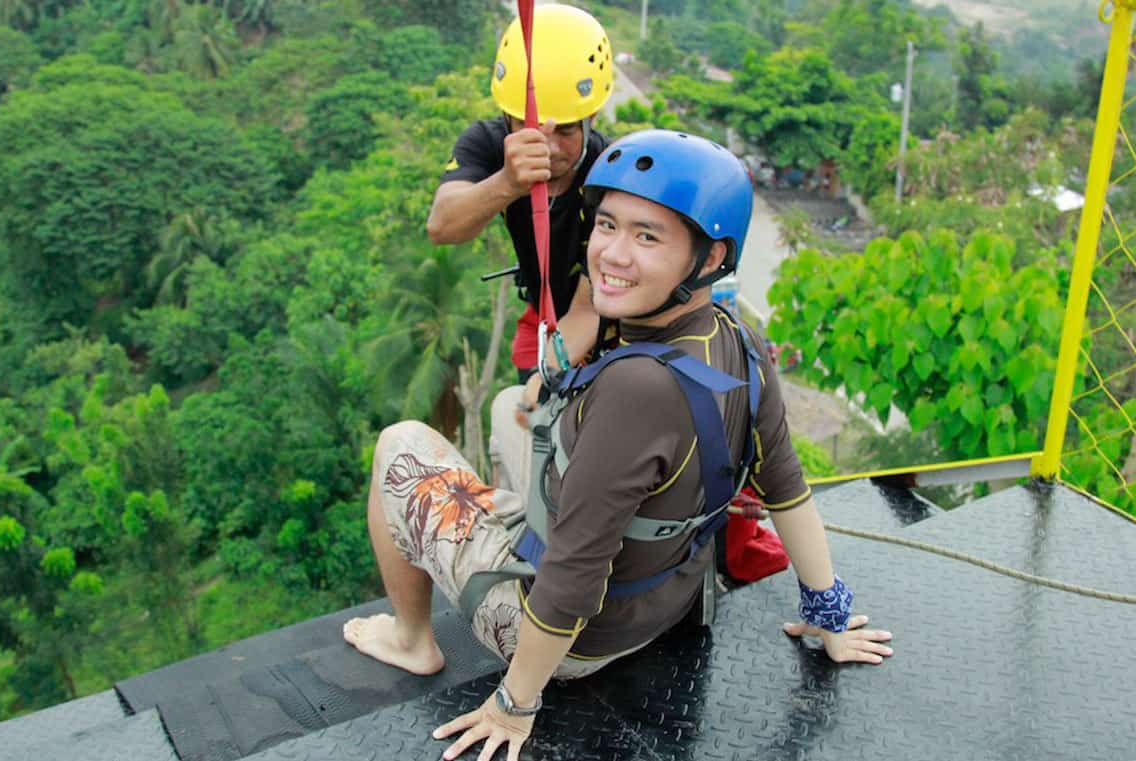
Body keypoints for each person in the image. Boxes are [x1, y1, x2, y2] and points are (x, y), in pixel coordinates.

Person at [345, 130, 893, 761]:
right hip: (663, 602)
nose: (611, 253)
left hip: (575, 639)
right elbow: (787, 489)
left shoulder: (638, 387)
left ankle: (412, 639)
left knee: (401, 443)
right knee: (508, 413)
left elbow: (574, 578)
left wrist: (513, 704)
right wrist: (826, 613)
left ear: (710, 256)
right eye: (606, 225)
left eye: (648, 236)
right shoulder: (740, 340)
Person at [426, 3, 614, 383]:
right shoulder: (489, 144)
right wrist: (507, 183)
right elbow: (442, 227)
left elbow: (590, 309)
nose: (551, 147)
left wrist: (541, 382)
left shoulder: (609, 173)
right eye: (530, 128)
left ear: (591, 119)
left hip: (605, 322)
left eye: (566, 130)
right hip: (541, 315)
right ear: (508, 118)